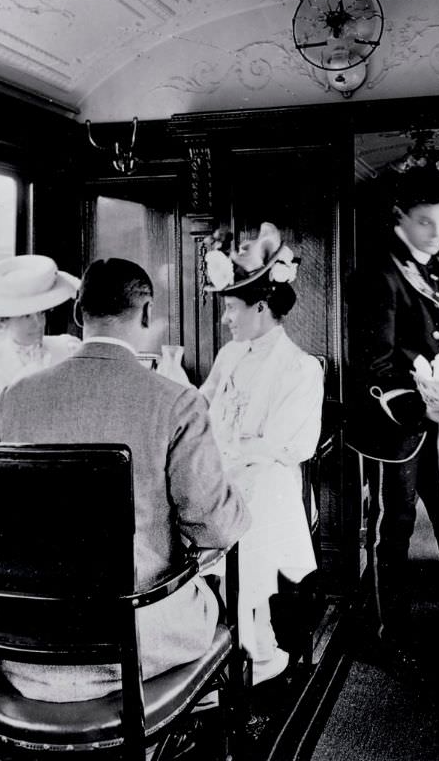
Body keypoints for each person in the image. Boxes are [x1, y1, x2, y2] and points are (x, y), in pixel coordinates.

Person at [0, 258, 250, 702]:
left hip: (24, 643)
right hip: (138, 638)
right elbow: (215, 527)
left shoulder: (14, 397)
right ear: (145, 314)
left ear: (75, 314)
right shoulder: (176, 402)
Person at [347, 165, 439, 651]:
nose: (437, 233)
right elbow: (374, 366)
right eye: (427, 222)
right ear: (400, 217)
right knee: (396, 530)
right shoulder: (378, 273)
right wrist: (426, 408)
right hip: (397, 425)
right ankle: (391, 631)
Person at [201, 223, 322, 684]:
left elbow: (287, 445)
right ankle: (221, 637)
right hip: (224, 471)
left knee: (254, 495)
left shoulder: (300, 368)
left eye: (231, 308)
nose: (226, 319)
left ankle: (253, 642)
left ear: (262, 306)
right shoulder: (230, 355)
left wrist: (225, 451)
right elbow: (203, 407)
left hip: (271, 483)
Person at [0, 254, 81, 437]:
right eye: (27, 316)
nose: (38, 323)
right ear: (3, 320)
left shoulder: (68, 349)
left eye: (42, 313)